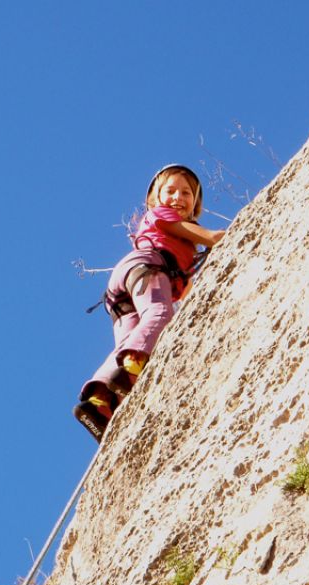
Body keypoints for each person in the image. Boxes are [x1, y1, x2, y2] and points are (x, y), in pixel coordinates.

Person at [74, 164, 225, 442]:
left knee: (130, 337)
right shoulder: (162, 216)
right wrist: (230, 235)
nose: (178, 197)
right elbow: (212, 238)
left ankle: (98, 403)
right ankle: (132, 365)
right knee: (159, 312)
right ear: (155, 199)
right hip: (146, 267)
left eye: (186, 193)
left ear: (195, 203)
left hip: (121, 290)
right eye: (170, 191)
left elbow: (188, 289)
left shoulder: (175, 238)